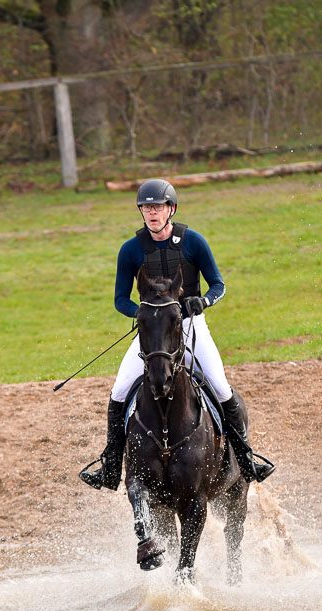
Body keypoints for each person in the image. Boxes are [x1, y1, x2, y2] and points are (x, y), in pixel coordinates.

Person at [80, 178, 275, 490]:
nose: (151, 213)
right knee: (118, 393)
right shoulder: (130, 250)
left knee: (221, 389)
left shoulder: (193, 242)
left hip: (190, 325)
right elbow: (120, 299)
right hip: (153, 334)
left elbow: (218, 285)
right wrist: (143, 315)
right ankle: (111, 467)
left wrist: (204, 301)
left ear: (170, 209)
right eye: (146, 208)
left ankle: (246, 459)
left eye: (157, 207)